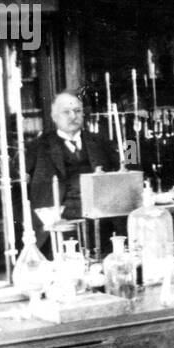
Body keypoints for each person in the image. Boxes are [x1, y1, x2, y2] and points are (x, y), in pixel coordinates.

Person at [27, 91, 119, 243]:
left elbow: (129, 164)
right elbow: (18, 190)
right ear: (54, 117)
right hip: (57, 230)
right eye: (66, 112)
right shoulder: (38, 147)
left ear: (83, 114)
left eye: (77, 111)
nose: (73, 116)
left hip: (100, 225)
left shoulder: (101, 142)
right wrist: (46, 221)